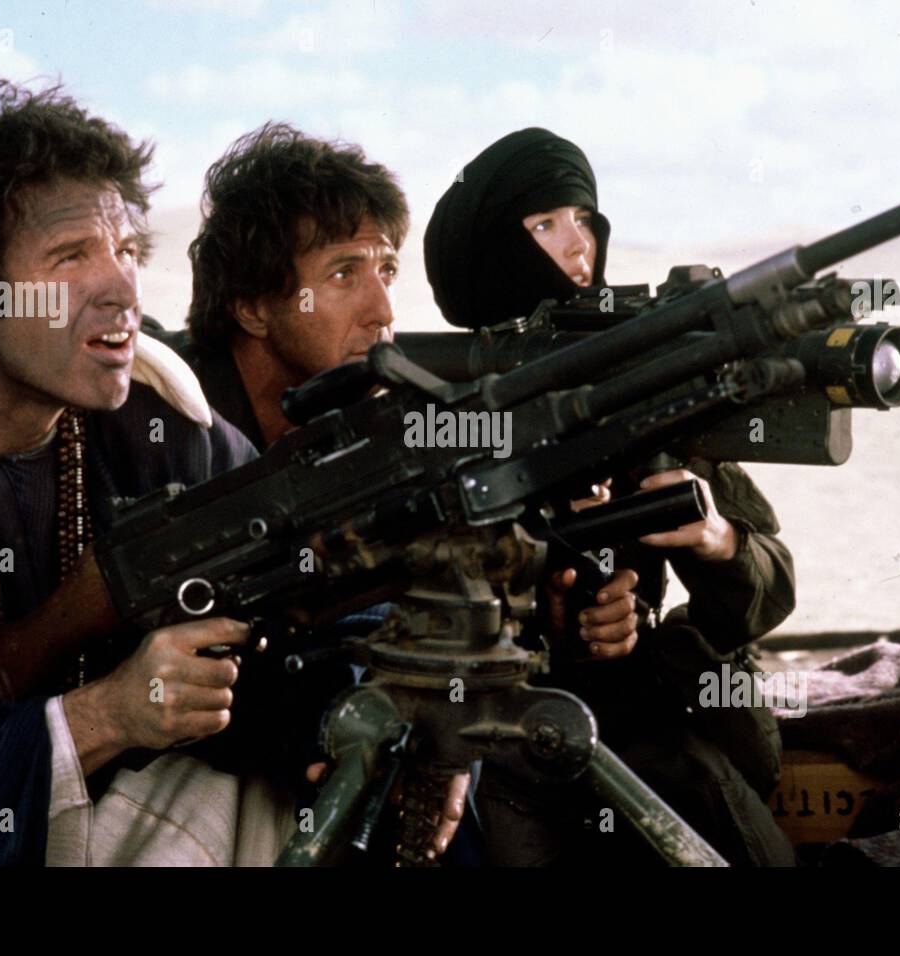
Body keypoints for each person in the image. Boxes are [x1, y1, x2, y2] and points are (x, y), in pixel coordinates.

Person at [0, 80, 293, 866]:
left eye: (128, 252)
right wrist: (105, 718)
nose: (123, 288)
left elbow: (308, 546)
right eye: (71, 256)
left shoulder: (156, 417)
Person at [145, 123, 647, 862]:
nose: (382, 310)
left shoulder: (364, 418)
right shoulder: (171, 426)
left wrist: (556, 610)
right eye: (345, 274)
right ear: (252, 306)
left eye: (386, 270)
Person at [424, 127, 798, 866]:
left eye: (584, 219)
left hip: (650, 730)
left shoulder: (638, 386)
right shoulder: (451, 416)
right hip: (512, 745)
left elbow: (772, 591)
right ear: (492, 248)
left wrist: (718, 540)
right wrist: (548, 619)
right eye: (545, 224)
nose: (577, 244)